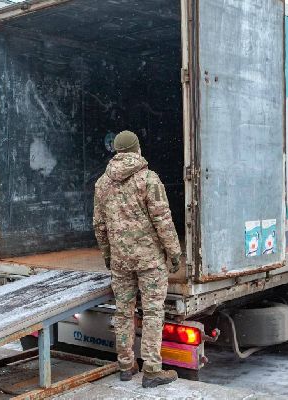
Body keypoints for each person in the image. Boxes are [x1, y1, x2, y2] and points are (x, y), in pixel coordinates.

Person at [93, 130, 182, 388]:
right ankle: (152, 370)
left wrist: (109, 256)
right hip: (149, 260)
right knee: (153, 312)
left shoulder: (102, 183)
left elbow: (99, 225)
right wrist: (174, 252)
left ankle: (126, 365)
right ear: (137, 149)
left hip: (121, 260)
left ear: (117, 152)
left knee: (123, 312)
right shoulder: (148, 180)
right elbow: (162, 220)